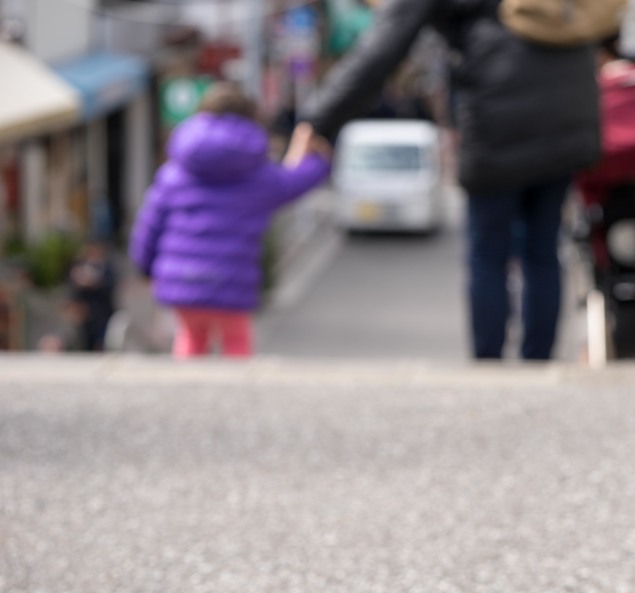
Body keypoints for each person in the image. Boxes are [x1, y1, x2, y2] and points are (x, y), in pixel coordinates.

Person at [301, 0, 601, 361]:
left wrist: (318, 122)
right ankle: (538, 362)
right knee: (543, 248)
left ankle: (489, 363)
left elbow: (381, 50)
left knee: (488, 252)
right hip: (569, 109)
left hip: (497, 116)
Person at [130, 81, 332, 359]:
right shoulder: (255, 174)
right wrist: (318, 160)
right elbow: (292, 182)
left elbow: (150, 223)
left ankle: (184, 397)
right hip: (232, 281)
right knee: (236, 341)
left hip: (181, 279)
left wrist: (144, 265)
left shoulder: (174, 172)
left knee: (190, 337)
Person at [67, 239, 118, 351]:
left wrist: (95, 282)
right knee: (85, 344)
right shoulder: (79, 266)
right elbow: (73, 290)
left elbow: (112, 287)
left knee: (102, 343)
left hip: (103, 313)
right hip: (85, 313)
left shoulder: (107, 268)